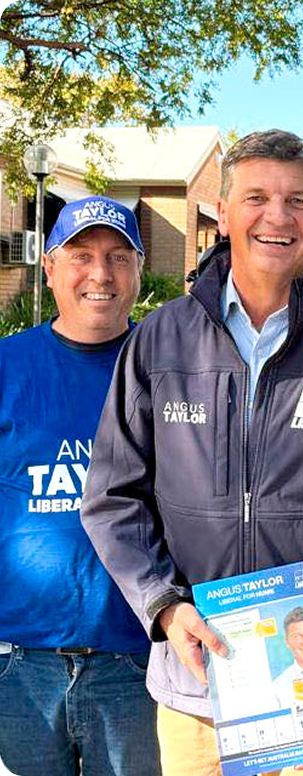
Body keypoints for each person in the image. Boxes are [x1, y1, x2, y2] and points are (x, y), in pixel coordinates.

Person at [81, 129, 303, 776]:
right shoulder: (160, 341)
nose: (278, 216)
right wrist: (164, 604)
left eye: (297, 200)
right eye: (257, 198)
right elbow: (111, 498)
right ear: (223, 213)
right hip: (196, 694)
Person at [0, 196, 160, 776]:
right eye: (81, 256)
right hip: (19, 663)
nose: (101, 273)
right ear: (48, 267)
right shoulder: (8, 366)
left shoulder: (168, 369)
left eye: (119, 257)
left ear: (138, 271)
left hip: (138, 658)